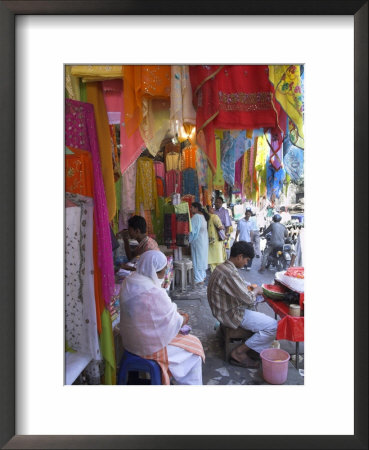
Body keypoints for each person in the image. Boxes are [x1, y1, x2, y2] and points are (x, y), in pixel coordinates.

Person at [119, 250, 205, 385]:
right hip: (147, 347)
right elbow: (174, 321)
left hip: (130, 342)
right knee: (195, 352)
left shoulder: (129, 281)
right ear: (153, 271)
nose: (164, 274)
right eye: (162, 271)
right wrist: (184, 318)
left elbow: (153, 315)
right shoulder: (154, 292)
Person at [207, 241, 277, 368]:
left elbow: (238, 287)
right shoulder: (229, 273)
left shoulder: (223, 267)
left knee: (257, 312)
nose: (246, 263)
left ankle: (253, 346)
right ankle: (239, 352)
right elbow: (249, 299)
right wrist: (256, 290)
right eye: (246, 260)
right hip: (230, 314)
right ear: (239, 256)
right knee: (273, 326)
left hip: (222, 310)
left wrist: (248, 288)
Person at [189, 202, 209, 284]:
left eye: (192, 207)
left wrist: (188, 240)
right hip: (203, 241)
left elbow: (192, 230)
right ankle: (202, 277)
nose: (190, 209)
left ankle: (199, 279)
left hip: (198, 241)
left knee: (197, 260)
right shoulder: (203, 216)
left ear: (196, 208)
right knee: (202, 259)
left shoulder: (196, 217)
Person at [206, 204, 226, 272]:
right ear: (208, 210)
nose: (213, 209)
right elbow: (220, 227)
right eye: (211, 208)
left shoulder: (206, 217)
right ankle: (219, 274)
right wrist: (223, 227)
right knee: (218, 258)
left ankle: (213, 273)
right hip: (216, 241)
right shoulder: (214, 217)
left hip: (209, 241)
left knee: (212, 260)